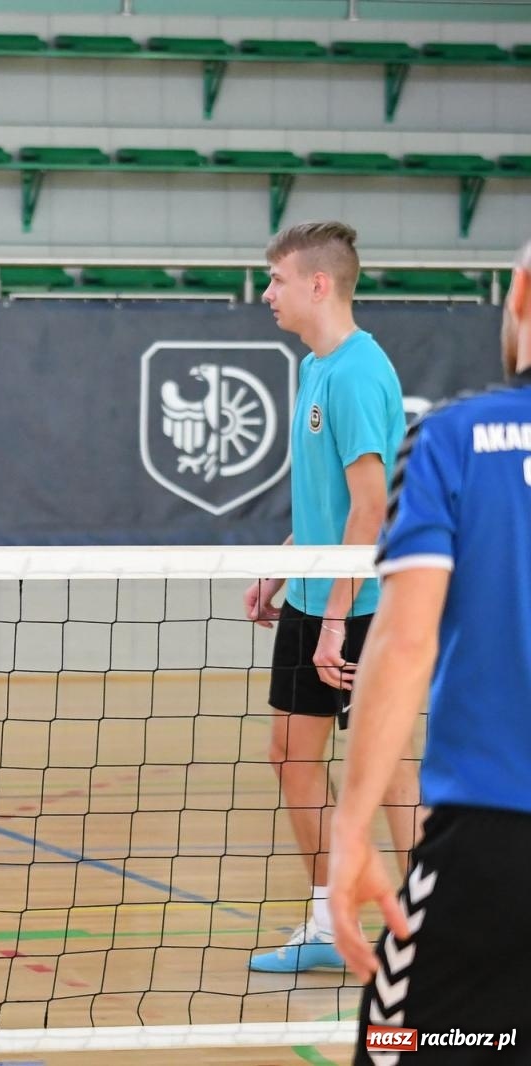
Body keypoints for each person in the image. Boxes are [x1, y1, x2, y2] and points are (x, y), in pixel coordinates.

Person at [330, 242, 531, 1062]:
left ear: (520, 292)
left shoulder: (455, 439)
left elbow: (406, 638)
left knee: (412, 1044)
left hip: (491, 853)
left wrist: (351, 829)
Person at [243, 222, 419, 974]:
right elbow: (327, 504)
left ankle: (436, 921)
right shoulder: (317, 368)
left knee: (385, 772)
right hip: (320, 597)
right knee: (290, 757)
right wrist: (283, 565)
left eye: (277, 280)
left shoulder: (354, 374)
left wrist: (339, 619)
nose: (266, 294)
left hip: (363, 607)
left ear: (319, 284)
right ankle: (325, 920)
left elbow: (371, 507)